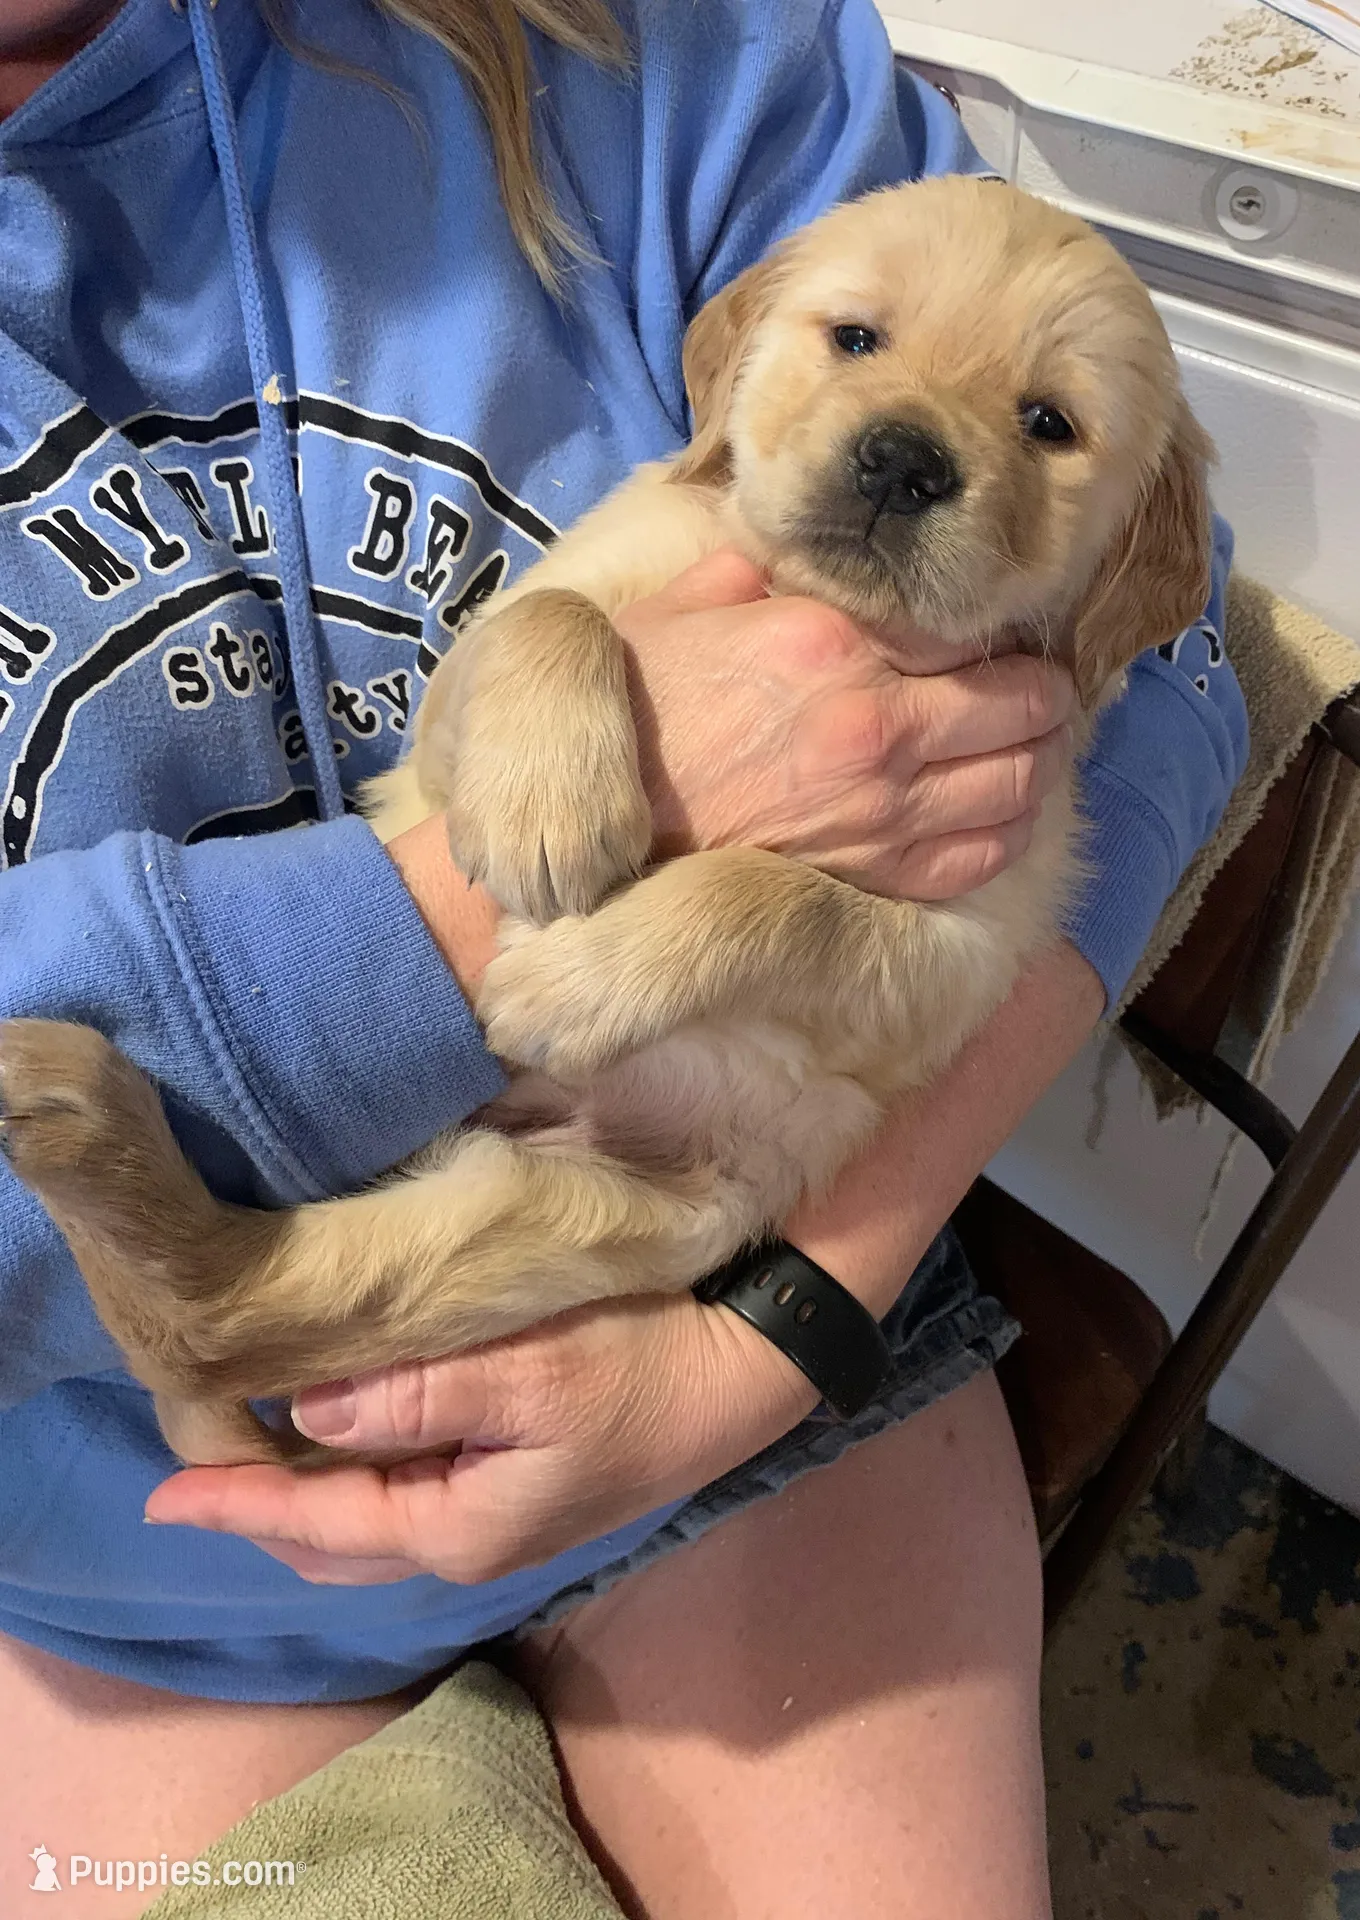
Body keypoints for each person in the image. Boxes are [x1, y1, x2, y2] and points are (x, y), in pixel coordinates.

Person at [0, 2, 1246, 1915]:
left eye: (1039, 427)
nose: (917, 431)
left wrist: (768, 1335)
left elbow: (1179, 653)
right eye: (857, 344)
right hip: (131, 1539)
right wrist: (476, 916)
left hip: (756, 1313)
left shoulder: (666, 42)